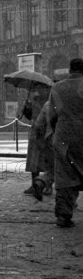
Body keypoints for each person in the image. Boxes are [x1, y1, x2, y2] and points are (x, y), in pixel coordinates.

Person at [47, 58, 83, 227]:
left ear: (70, 70)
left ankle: (63, 215)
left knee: (64, 175)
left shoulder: (57, 87)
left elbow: (52, 116)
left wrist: (57, 131)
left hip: (64, 135)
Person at [21, 84, 50, 199]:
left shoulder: (49, 102)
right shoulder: (34, 100)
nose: (37, 91)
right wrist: (26, 109)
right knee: (33, 161)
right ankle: (35, 184)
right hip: (35, 132)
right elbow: (31, 116)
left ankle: (46, 185)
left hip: (44, 133)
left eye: (39, 89)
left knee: (46, 160)